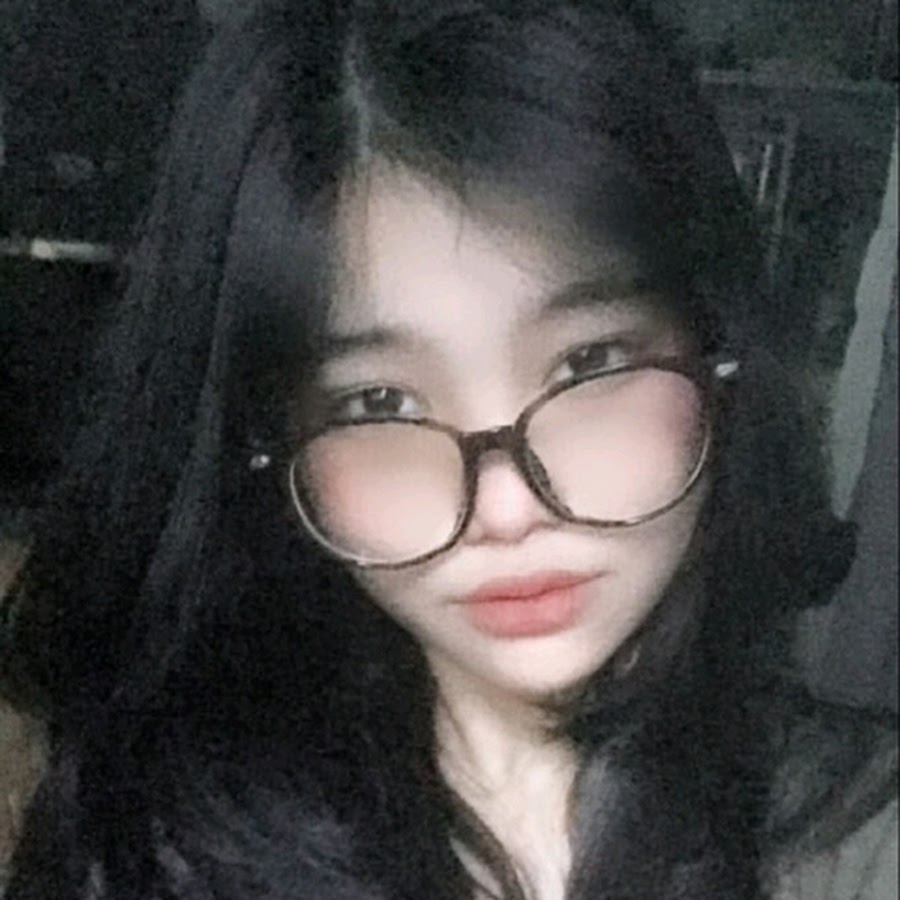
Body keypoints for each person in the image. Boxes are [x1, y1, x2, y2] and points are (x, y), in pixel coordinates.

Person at [0, 2, 895, 898]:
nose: (507, 509)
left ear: (720, 349)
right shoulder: (155, 848)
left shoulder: (862, 839)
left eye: (590, 363)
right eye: (378, 403)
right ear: (261, 447)